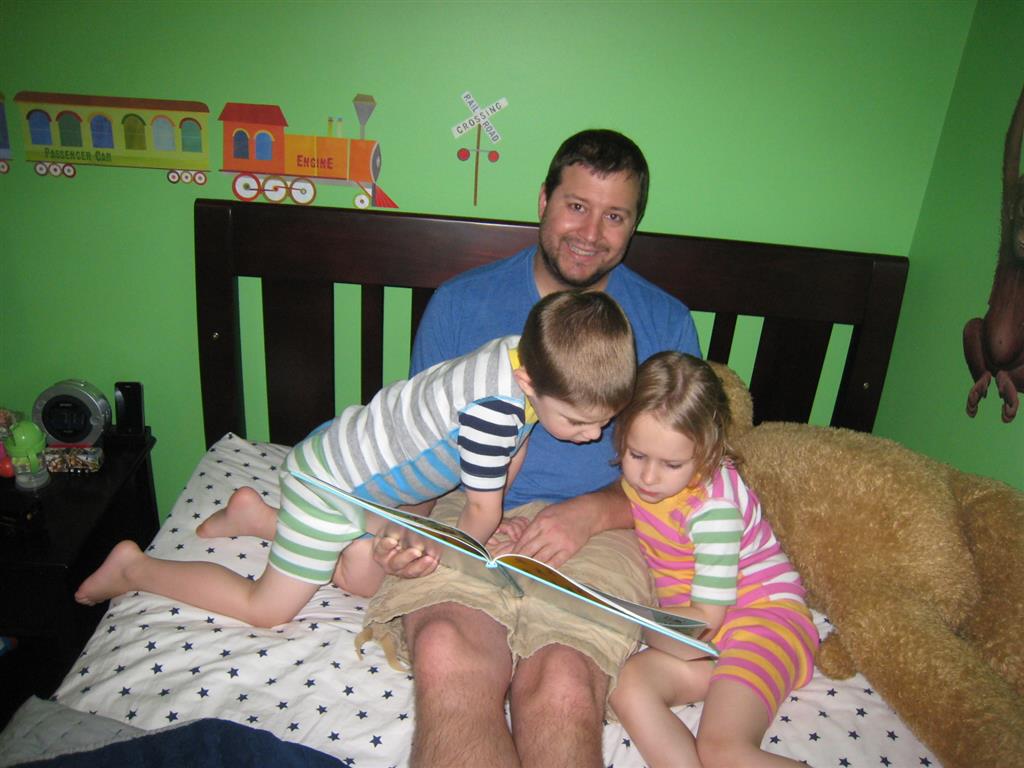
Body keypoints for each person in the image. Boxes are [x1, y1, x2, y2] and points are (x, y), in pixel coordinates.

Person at [363, 129, 703, 768]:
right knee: (444, 649)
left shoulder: (665, 323)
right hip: (470, 505)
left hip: (610, 525)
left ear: (634, 224)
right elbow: (418, 446)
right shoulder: (461, 304)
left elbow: (689, 475)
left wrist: (590, 512)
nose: (591, 233)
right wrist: (406, 527)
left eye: (615, 216)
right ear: (544, 200)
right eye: (576, 206)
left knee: (564, 683)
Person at [74, 290, 637, 629]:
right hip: (331, 485)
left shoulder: (525, 350)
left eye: (604, 421)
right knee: (268, 610)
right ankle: (135, 569)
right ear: (529, 382)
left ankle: (255, 515)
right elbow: (480, 513)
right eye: (578, 422)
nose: (593, 436)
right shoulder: (494, 409)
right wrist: (455, 559)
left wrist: (489, 511)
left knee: (365, 580)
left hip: (353, 471)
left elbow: (515, 448)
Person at [608, 351, 818, 768]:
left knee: (722, 751)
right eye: (636, 455)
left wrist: (630, 621)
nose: (647, 477)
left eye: (671, 464)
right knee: (627, 685)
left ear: (706, 452)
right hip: (709, 639)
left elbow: (702, 623)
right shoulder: (652, 480)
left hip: (764, 623)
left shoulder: (714, 511)